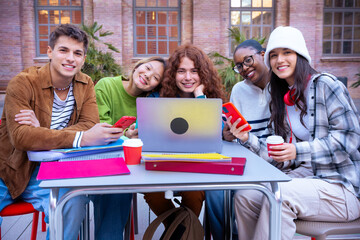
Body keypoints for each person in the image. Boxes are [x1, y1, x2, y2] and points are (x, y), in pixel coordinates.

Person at [230, 26, 360, 240]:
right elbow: (278, 155)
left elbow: (349, 139)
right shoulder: (283, 98)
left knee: (278, 195)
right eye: (274, 55)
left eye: (287, 52)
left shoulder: (326, 85)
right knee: (246, 195)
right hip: (306, 178)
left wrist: (297, 151)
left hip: (341, 188)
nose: (279, 60)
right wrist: (246, 138)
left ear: (300, 55)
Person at [0, 24, 124, 240]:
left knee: (77, 201)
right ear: (50, 52)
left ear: (84, 58)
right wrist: (81, 138)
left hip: (52, 170)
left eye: (77, 53)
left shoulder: (85, 84)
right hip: (8, 170)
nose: (71, 58)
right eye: (63, 50)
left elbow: (90, 123)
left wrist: (41, 132)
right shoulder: (23, 83)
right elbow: (21, 137)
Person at [143, 43, 226, 225]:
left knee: (195, 191)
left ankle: (183, 233)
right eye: (181, 71)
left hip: (197, 168)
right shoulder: (157, 99)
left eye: (194, 71)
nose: (188, 77)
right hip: (163, 166)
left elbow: (218, 132)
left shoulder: (210, 99)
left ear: (203, 74)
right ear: (173, 74)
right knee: (151, 191)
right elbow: (146, 130)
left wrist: (200, 98)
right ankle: (183, 232)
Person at [205, 39, 272, 240]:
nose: (244, 68)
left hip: (274, 160)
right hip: (247, 155)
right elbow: (233, 133)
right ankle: (226, 236)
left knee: (243, 194)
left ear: (263, 54)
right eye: (239, 65)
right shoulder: (239, 90)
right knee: (214, 190)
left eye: (248, 60)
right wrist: (228, 134)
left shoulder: (282, 86)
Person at [93, 56, 166, 239]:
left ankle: (182, 227)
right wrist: (125, 136)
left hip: (135, 165)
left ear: (155, 87)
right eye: (147, 68)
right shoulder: (106, 85)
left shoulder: (150, 102)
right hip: (103, 160)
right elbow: (100, 129)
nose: (148, 76)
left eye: (156, 77)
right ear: (137, 66)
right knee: (117, 191)